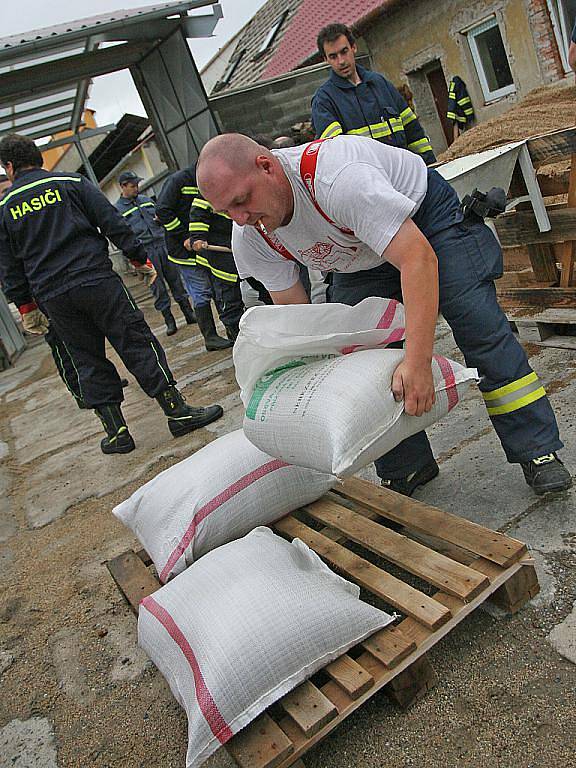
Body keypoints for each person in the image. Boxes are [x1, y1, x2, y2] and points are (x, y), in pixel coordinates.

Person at [196, 133, 572, 497]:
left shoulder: (336, 178)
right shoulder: (251, 236)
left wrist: (418, 362)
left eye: (242, 201)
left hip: (427, 223)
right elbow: (301, 320)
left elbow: (417, 259)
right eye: (226, 210)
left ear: (266, 166)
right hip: (359, 259)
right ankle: (406, 466)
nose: (240, 218)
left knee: (479, 327)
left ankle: (535, 447)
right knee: (356, 352)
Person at [0, 133, 223, 455]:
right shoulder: (70, 183)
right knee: (135, 341)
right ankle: (177, 411)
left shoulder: (5, 207)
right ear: (37, 157)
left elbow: (8, 266)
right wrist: (139, 258)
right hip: (97, 280)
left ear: (9, 167)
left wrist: (25, 306)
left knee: (85, 359)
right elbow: (111, 221)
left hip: (53, 297)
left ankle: (117, 433)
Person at [311, 23, 436, 165]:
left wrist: (430, 167)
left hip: (405, 176)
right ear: (325, 59)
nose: (341, 61)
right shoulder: (324, 101)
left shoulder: (380, 83)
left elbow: (413, 131)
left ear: (354, 47)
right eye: (333, 56)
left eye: (344, 51)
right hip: (368, 184)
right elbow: (337, 157)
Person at [155, 165, 232, 351]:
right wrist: (184, 236)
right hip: (185, 251)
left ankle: (230, 330)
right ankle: (210, 337)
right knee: (201, 291)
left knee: (217, 287)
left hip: (204, 246)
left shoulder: (206, 180)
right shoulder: (178, 181)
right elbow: (162, 211)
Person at [115, 170, 196, 336]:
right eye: (132, 186)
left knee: (176, 282)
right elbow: (122, 235)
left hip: (162, 245)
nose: (136, 188)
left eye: (137, 185)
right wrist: (134, 259)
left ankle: (188, 313)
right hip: (144, 252)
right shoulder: (118, 210)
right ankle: (169, 320)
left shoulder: (146, 201)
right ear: (122, 187)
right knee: (157, 287)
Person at [186, 192, 245, 341]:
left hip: (243, 252)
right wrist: (198, 237)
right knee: (230, 300)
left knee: (264, 289)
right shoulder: (206, 194)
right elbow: (198, 216)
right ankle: (236, 337)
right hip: (222, 259)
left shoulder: (236, 187)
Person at [446, 76, 474, 143]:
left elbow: (452, 102)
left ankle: (456, 144)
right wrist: (470, 115)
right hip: (457, 111)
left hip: (453, 112)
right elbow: (464, 101)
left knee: (456, 126)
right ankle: (458, 144)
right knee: (460, 128)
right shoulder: (459, 88)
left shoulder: (452, 87)